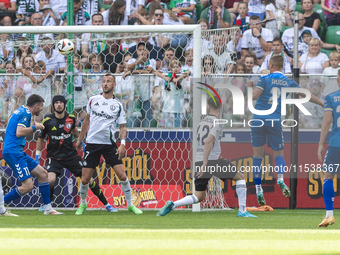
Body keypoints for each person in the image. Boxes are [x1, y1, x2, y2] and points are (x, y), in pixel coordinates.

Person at [157, 96, 257, 218]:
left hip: (199, 160)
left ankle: (173, 204)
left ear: (208, 106)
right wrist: (206, 162)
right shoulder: (218, 122)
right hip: (212, 160)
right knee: (240, 177)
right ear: (221, 107)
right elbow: (209, 141)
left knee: (199, 196)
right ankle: (242, 211)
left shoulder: (201, 122)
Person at [247, 55, 324, 206]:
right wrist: (322, 103)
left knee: (257, 157)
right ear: (282, 67)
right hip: (274, 120)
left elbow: (254, 96)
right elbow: (306, 95)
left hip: (258, 119)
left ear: (270, 65)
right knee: (279, 154)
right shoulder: (288, 82)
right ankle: (281, 179)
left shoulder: (264, 78)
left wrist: (249, 86)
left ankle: (258, 189)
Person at [74, 74, 143, 215]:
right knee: (85, 178)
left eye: (109, 82)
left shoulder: (117, 105)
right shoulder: (93, 100)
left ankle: (130, 205)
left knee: (122, 175)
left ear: (114, 85)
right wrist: (80, 139)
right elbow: (86, 120)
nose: (105, 84)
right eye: (104, 81)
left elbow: (123, 126)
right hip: (92, 143)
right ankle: (82, 204)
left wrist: (122, 144)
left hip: (109, 145)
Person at [35, 95, 117, 212]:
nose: (59, 105)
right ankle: (47, 205)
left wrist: (83, 146)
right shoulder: (47, 120)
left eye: (61, 102)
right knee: (50, 181)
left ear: (64, 104)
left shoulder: (71, 118)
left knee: (89, 180)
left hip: (71, 156)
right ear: (53, 105)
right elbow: (40, 139)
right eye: (56, 103)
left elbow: (75, 133)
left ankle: (107, 204)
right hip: (54, 157)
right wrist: (37, 157)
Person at [2, 94, 62, 215]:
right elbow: (19, 132)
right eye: (41, 106)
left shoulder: (21, 110)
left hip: (17, 151)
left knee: (43, 174)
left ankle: (48, 208)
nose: (41, 109)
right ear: (36, 106)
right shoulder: (26, 113)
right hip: (13, 151)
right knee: (27, 186)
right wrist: (36, 127)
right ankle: (0, 205)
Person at [317, 69, 340, 227]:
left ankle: (329, 215)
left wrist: (320, 144)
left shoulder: (331, 97)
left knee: (328, 177)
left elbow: (326, 121)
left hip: (336, 144)